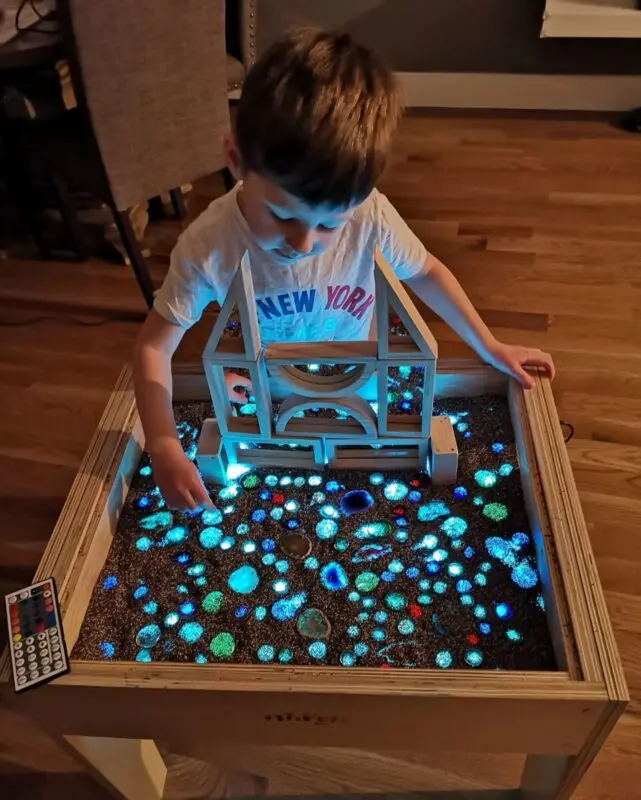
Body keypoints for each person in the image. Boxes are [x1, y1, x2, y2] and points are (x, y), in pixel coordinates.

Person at [134, 27, 554, 511]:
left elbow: (424, 271)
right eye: (284, 216)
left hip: (364, 383)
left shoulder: (370, 214)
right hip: (269, 395)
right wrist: (164, 443)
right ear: (235, 161)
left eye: (331, 223)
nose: (304, 244)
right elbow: (153, 345)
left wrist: (489, 345)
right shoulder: (209, 245)